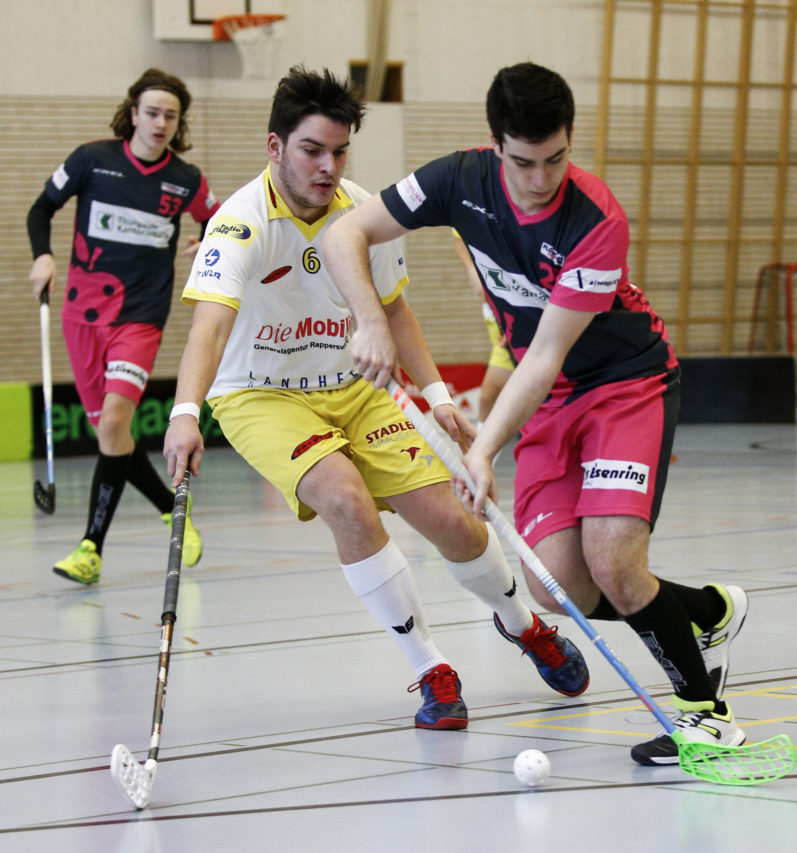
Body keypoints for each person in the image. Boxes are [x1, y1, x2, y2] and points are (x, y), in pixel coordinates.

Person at [324, 62, 749, 764]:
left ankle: (706, 716)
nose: (540, 178)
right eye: (523, 162)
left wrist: (482, 449)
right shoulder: (459, 179)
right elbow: (345, 234)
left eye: (556, 158)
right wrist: (371, 320)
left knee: (614, 563)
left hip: (623, 384)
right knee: (558, 586)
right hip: (551, 401)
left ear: (569, 139)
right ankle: (706, 613)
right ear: (496, 145)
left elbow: (547, 353)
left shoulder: (596, 220)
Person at [163, 66, 589, 730]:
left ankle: (521, 622)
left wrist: (438, 395)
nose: (327, 167)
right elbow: (209, 330)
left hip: (357, 389)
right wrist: (186, 414)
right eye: (312, 150)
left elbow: (394, 312)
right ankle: (430, 666)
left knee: (454, 520)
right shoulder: (237, 224)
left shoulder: (360, 211)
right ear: (275, 147)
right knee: (344, 499)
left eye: (339, 152)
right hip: (262, 396)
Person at [27, 68, 218, 585]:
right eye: (152, 113)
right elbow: (42, 208)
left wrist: (206, 241)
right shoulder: (91, 160)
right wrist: (43, 255)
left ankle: (90, 548)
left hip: (141, 316)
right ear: (133, 114)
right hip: (83, 315)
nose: (160, 123)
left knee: (114, 423)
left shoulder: (186, 179)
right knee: (112, 435)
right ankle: (171, 510)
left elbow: (217, 220)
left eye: (170, 116)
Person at [452, 231, 513, 425]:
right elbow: (459, 237)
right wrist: (472, 269)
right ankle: (483, 443)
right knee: (488, 398)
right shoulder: (475, 216)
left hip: (521, 327)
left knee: (491, 396)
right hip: (499, 322)